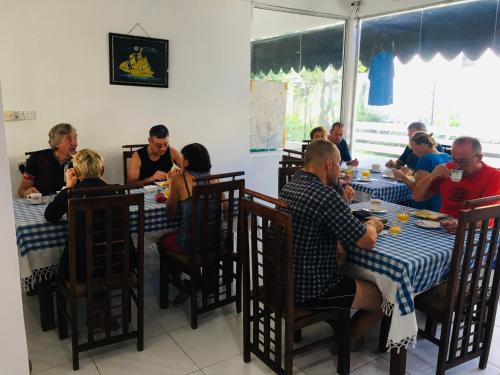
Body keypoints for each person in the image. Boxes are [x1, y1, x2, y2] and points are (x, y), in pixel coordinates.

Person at [280, 139, 384, 350]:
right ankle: (346, 341)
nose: (340, 170)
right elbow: (367, 241)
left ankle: (348, 333)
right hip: (312, 289)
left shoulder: (289, 186)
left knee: (348, 267)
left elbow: (323, 221)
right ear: (329, 164)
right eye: (339, 164)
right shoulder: (325, 195)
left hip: (283, 280)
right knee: (385, 297)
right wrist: (373, 224)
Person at [44, 148, 137, 282]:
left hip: (82, 270)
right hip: (120, 264)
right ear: (102, 169)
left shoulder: (73, 194)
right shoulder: (119, 192)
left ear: (75, 172)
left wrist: (68, 186)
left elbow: (50, 216)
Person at [413, 136, 500, 233]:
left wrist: (462, 224)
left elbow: (487, 218)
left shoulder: (494, 177)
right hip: (443, 226)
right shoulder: (447, 169)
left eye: (463, 161)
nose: (457, 166)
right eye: (454, 159)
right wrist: (431, 176)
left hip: (474, 231)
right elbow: (417, 197)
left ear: (479, 158)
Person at [392, 132, 451, 212]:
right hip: (440, 206)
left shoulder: (426, 159)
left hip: (425, 208)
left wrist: (402, 177)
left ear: (423, 145)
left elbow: (416, 190)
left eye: (413, 147)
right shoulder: (447, 157)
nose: (413, 152)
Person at [18, 123, 78, 197]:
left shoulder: (82, 161)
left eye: (75, 138)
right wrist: (26, 193)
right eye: (68, 139)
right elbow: (22, 189)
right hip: (41, 204)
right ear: (56, 143)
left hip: (69, 204)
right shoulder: (37, 158)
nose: (74, 143)